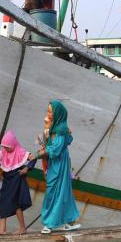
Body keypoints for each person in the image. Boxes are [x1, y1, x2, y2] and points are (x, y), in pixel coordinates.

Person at [34, 100, 81, 233]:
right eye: (48, 111)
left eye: (50, 111)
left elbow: (55, 150)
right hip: (59, 164)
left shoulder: (60, 130)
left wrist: (36, 155)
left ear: (57, 113)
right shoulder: (58, 128)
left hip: (59, 165)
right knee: (58, 192)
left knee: (58, 193)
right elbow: (66, 141)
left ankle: (53, 224)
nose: (48, 114)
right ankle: (56, 223)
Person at [0, 130, 35, 235]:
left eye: (8, 147)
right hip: (7, 179)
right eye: (4, 147)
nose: (5, 149)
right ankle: (3, 229)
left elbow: (33, 158)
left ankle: (21, 228)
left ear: (13, 144)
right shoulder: (3, 153)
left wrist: (27, 168)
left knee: (16, 203)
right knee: (3, 201)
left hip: (17, 178)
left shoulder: (20, 152)